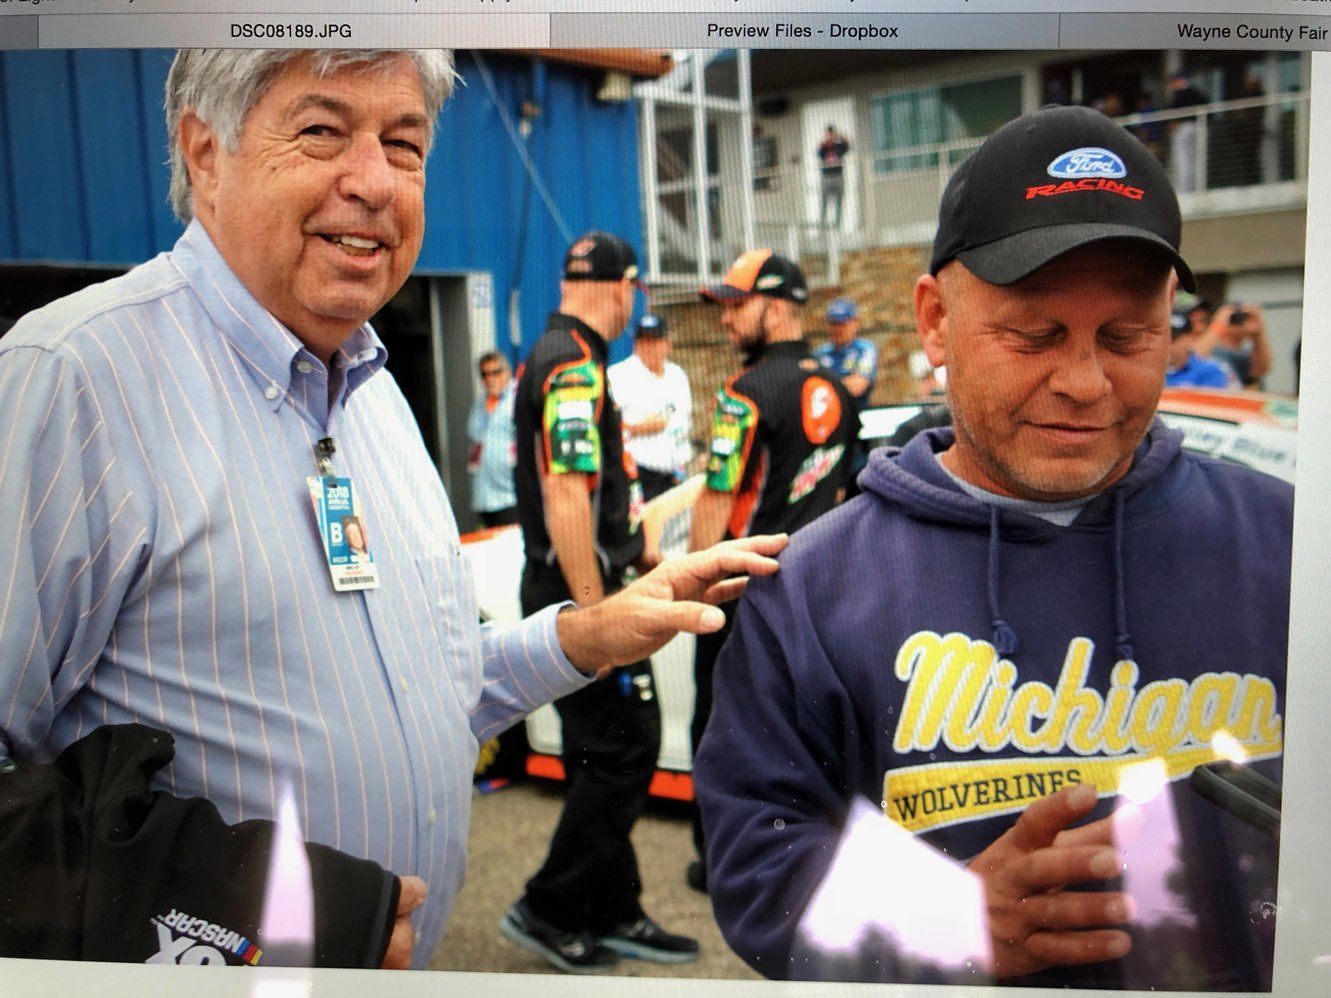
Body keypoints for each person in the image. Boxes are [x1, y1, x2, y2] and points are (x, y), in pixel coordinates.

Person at [0, 49, 785, 972]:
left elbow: (429, 688)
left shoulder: (373, 390)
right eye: (322, 130)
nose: (373, 182)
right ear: (203, 151)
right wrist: (224, 903)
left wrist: (591, 633)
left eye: (403, 144)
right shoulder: (71, 381)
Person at [696, 106, 1291, 991]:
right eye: (1032, 335)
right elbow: (755, 867)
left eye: (1127, 338)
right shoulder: (812, 589)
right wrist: (940, 923)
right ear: (933, 322)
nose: (1084, 382)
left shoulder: (1288, 544)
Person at [502, 231, 700, 973]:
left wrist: (634, 547)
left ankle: (613, 908)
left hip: (581, 582)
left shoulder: (561, 354)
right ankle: (550, 905)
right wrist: (595, 612)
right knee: (625, 747)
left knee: (605, 750)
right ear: (622, 287)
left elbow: (594, 492)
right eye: (634, 297)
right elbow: (565, 491)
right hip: (574, 597)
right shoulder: (573, 365)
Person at [686, 249, 859, 893]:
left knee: (721, 726)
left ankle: (717, 859)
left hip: (743, 591)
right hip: (821, 593)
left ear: (779, 306)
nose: (727, 320)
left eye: (737, 304)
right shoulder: (839, 388)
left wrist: (698, 586)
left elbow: (714, 497)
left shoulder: (744, 394)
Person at [608, 313, 693, 501]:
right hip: (638, 477)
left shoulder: (677, 375)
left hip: (674, 477)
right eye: (643, 342)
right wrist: (637, 427)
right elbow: (610, 428)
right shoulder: (618, 376)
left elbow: (684, 425)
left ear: (667, 343)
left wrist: (681, 470)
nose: (649, 348)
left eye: (654, 341)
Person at [813, 297, 877, 495]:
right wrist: (842, 384)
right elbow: (811, 391)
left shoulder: (865, 349)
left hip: (856, 428)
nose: (838, 328)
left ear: (855, 323)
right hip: (826, 431)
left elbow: (859, 385)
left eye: (843, 323)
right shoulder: (819, 353)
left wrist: (828, 386)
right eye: (834, 323)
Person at [466, 350, 518, 527]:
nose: (490, 378)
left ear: (507, 372)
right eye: (485, 374)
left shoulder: (517, 399)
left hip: (511, 496)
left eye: (496, 372)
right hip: (484, 497)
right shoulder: (479, 405)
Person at [1198, 303, 1272, 389]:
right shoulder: (1209, 347)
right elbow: (1195, 358)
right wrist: (1219, 325)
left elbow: (1261, 370)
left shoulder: (1244, 353)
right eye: (1235, 318)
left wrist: (1258, 335)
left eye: (1244, 317)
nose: (1240, 322)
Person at [1165, 311, 1232, 387]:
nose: (1165, 344)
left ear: (1189, 339)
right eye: (1161, 338)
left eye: (1173, 339)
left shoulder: (1209, 371)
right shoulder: (1151, 370)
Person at [1167, 71, 1208, 193]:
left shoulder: (1180, 94)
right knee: (1198, 161)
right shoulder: (1197, 93)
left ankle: (1185, 191)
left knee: (1183, 162)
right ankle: (1199, 188)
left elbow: (1175, 114)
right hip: (1200, 127)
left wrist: (1175, 124)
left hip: (1184, 129)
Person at [817, 124, 851, 229]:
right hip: (826, 176)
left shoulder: (839, 145)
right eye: (828, 134)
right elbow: (819, 153)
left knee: (839, 201)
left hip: (838, 176)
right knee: (824, 201)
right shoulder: (824, 146)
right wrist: (825, 143)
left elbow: (847, 146)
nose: (830, 136)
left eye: (831, 134)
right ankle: (822, 225)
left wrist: (840, 137)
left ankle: (837, 225)